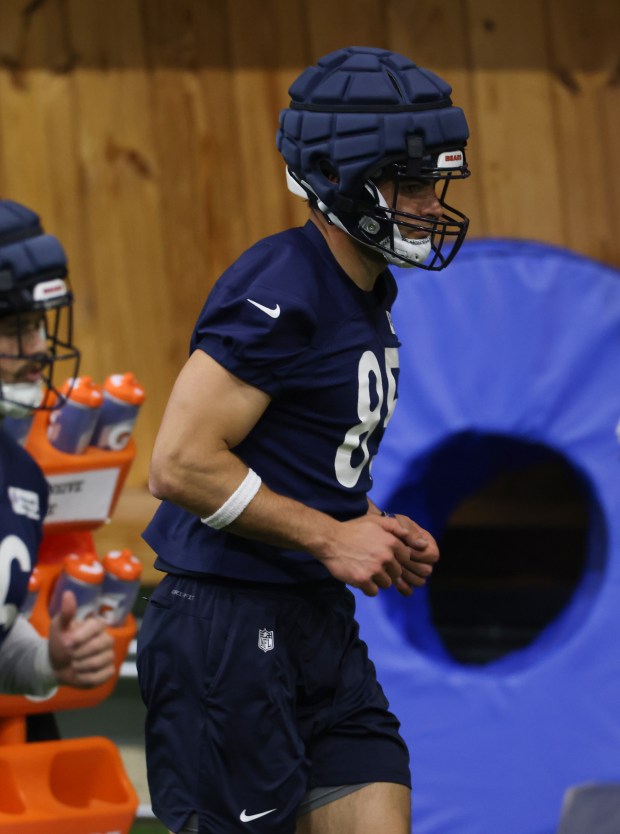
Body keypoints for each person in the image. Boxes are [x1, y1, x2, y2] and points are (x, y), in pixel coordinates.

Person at [137, 46, 471, 834]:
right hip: (222, 621)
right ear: (340, 177)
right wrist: (329, 536)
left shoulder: (365, 290)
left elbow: (294, 454)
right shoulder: (281, 284)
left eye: (435, 183)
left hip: (313, 619)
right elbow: (179, 462)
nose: (429, 205)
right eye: (410, 182)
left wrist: (370, 528)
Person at [0, 199, 115, 696]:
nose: (41, 346)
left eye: (40, 325)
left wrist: (47, 660)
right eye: (16, 328)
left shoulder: (21, 478)